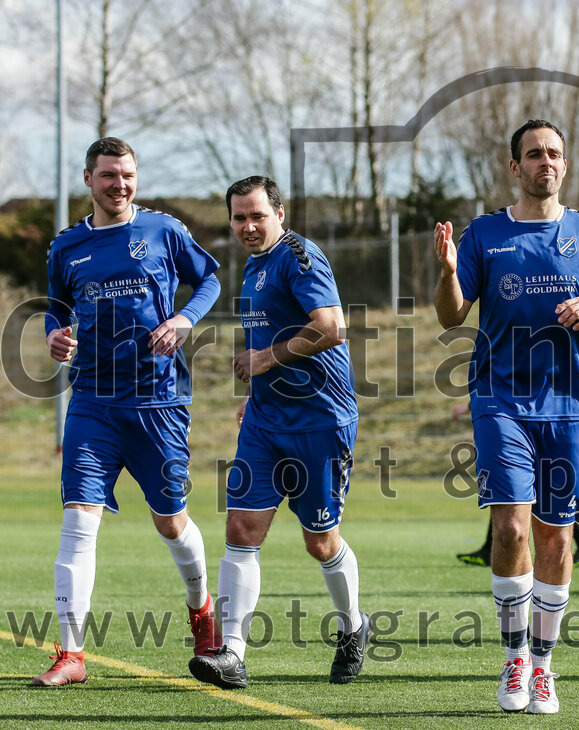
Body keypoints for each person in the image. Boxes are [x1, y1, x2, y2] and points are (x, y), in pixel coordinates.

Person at [433, 119, 579, 714]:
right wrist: (445, 271)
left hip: (569, 404)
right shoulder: (485, 234)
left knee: (557, 535)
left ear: (564, 165)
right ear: (514, 167)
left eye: (554, 154)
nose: (546, 162)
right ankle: (515, 657)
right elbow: (450, 316)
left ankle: (544, 667)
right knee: (512, 527)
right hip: (499, 399)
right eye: (534, 154)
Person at [37, 137, 222, 686]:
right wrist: (55, 336)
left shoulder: (163, 230)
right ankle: (71, 655)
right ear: (89, 180)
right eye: (108, 175)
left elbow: (209, 278)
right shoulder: (66, 247)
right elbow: (55, 308)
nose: (119, 184)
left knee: (170, 521)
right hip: (92, 401)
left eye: (127, 175)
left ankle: (202, 609)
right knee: (77, 521)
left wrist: (185, 318)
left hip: (158, 402)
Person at [188, 176, 366, 690]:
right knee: (241, 530)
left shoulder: (298, 256)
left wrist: (265, 359)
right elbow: (273, 335)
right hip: (266, 422)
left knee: (320, 540)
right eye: (239, 217)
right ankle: (233, 655)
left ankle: (353, 628)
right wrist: (257, 393)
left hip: (320, 422)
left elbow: (331, 326)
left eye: (257, 216)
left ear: (280, 215)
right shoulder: (253, 267)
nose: (247, 226)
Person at [451, 402, 579, 568]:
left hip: (548, 420)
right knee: (509, 496)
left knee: (546, 507)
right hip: (517, 418)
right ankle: (488, 548)